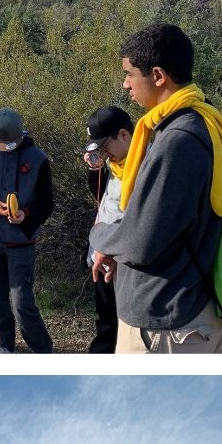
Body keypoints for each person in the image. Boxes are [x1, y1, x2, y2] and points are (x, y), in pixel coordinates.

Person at [90, 22, 222, 354]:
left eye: (129, 74)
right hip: (176, 317)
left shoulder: (178, 140)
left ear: (157, 75)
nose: (125, 84)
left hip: (166, 326)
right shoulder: (197, 122)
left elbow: (140, 241)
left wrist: (99, 235)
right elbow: (161, 227)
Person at [0, 106, 57, 354]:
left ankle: (42, 350)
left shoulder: (38, 159)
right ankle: (5, 343)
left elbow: (46, 203)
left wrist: (26, 215)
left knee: (21, 302)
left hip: (21, 243)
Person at [82, 105, 134, 353]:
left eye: (105, 146)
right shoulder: (115, 164)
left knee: (126, 328)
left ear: (124, 135)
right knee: (106, 323)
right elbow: (101, 199)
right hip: (100, 258)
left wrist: (115, 251)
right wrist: (95, 169)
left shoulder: (146, 165)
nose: (103, 153)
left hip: (126, 264)